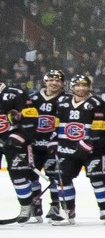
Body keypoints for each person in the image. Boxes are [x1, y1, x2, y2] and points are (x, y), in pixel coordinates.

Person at [51, 74, 105, 224]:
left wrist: (88, 143)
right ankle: (67, 212)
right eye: (77, 85)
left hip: (93, 151)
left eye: (84, 85)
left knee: (97, 180)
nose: (81, 88)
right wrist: (53, 141)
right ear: (72, 87)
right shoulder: (63, 102)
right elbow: (57, 124)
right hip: (67, 149)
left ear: (89, 87)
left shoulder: (97, 103)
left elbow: (101, 127)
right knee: (63, 180)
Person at [20, 69, 69, 222]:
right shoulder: (32, 98)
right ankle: (36, 205)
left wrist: (58, 140)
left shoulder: (67, 100)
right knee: (31, 176)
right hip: (33, 144)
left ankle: (55, 206)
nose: (54, 83)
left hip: (54, 144)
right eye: (51, 80)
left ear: (62, 83)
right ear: (45, 81)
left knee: (54, 175)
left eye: (58, 80)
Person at [1, 74, 43, 224]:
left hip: (15, 144)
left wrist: (17, 139)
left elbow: (30, 120)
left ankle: (27, 207)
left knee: (19, 175)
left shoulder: (16, 94)